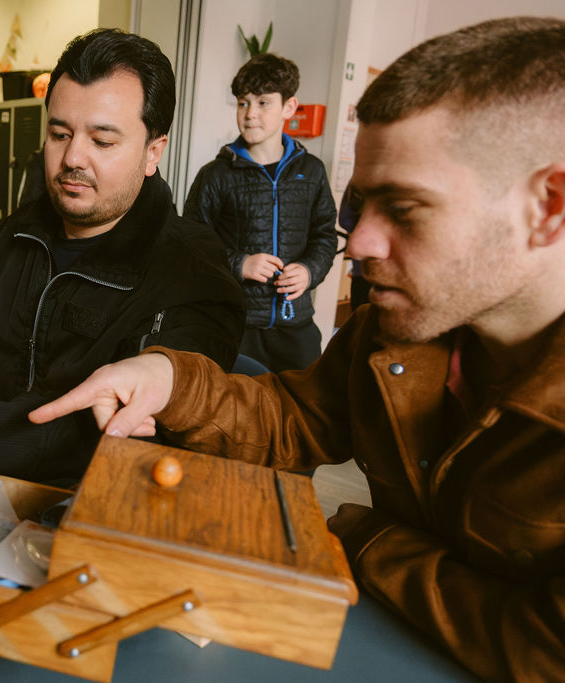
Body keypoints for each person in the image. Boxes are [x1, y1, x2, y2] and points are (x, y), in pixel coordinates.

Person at [31, 17, 565, 681]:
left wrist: (373, 541)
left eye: (405, 209)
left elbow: (547, 648)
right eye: (360, 206)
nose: (358, 245)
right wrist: (170, 380)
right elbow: (294, 417)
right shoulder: (394, 334)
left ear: (549, 206)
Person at [0, 28, 244, 502]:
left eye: (102, 141)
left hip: (97, 506)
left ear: (153, 152)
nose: (71, 158)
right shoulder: (22, 231)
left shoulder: (192, 270)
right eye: (59, 133)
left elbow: (139, 427)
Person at [184, 53, 337, 372]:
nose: (250, 114)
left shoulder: (311, 171)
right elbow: (191, 245)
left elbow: (325, 236)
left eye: (263, 103)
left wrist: (309, 271)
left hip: (296, 326)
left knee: (303, 414)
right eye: (243, 103)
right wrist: (241, 263)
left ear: (289, 108)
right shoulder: (215, 175)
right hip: (235, 326)